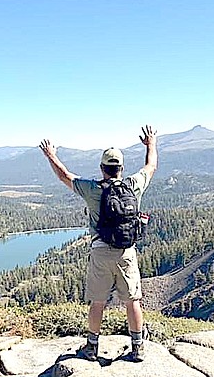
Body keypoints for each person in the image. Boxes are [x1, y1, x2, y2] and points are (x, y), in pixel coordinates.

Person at [39, 126, 158, 362]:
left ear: (102, 168)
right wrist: (151, 144)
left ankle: (92, 347)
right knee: (132, 300)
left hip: (100, 251)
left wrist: (51, 155)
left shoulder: (92, 189)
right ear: (121, 169)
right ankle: (137, 347)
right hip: (126, 251)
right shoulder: (133, 185)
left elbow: (64, 175)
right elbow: (151, 166)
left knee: (98, 301)